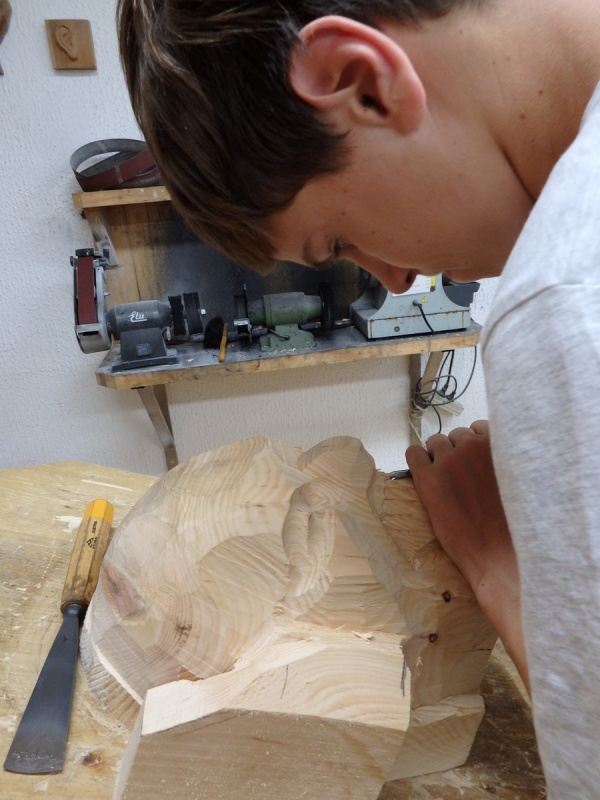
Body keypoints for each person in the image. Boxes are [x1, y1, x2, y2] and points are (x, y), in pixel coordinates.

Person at [116, 1, 600, 796]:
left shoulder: (566, 298)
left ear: (358, 81)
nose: (397, 279)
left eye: (338, 241)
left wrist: (503, 573)